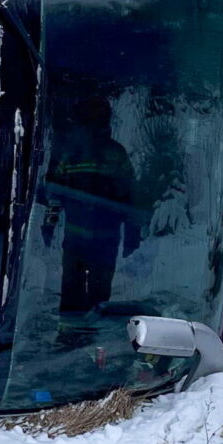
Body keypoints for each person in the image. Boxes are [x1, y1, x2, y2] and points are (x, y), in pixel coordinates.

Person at [42, 96, 140, 340]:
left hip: (100, 239)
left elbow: (128, 197)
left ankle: (88, 336)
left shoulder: (113, 154)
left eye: (97, 118)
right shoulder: (75, 153)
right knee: (75, 289)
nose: (94, 124)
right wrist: (49, 224)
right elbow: (56, 194)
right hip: (82, 238)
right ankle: (69, 335)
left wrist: (132, 233)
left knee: (94, 291)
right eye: (91, 118)